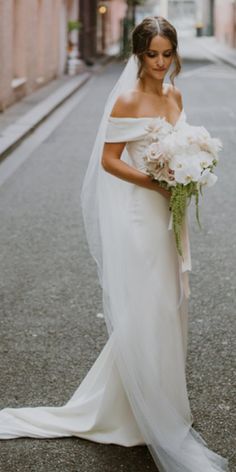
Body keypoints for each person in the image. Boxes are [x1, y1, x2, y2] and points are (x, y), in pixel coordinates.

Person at [0, 15, 229, 472]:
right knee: (149, 304)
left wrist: (191, 171)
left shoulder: (175, 95)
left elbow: (184, 146)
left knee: (170, 303)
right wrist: (157, 179)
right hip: (140, 216)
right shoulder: (126, 99)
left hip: (168, 212)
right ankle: (139, 413)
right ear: (138, 54)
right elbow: (109, 161)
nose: (161, 64)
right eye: (152, 55)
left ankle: (157, 400)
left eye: (167, 54)